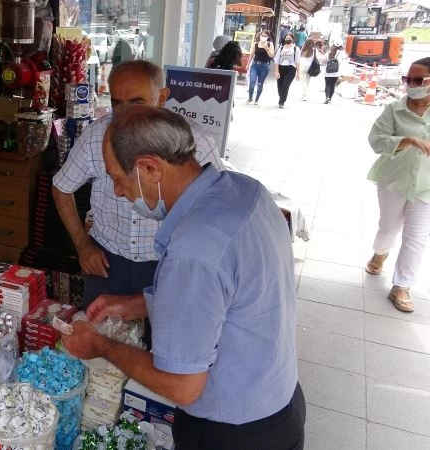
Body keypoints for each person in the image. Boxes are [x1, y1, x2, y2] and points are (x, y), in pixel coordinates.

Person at [62, 105, 305, 450]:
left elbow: (182, 386)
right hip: (280, 400)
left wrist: (100, 345)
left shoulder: (193, 249)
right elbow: (229, 293)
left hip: (233, 432)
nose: (117, 191)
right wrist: (136, 305)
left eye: (117, 178)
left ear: (150, 168)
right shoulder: (246, 189)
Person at [52, 61, 169, 316]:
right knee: (96, 333)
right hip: (107, 262)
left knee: (163, 338)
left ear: (161, 98)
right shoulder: (97, 135)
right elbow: (61, 187)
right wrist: (82, 245)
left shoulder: (191, 140)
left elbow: (211, 206)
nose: (124, 113)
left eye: (136, 103)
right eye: (117, 103)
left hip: (167, 266)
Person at [365, 57, 430, 313]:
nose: (411, 85)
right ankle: (380, 252)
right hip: (394, 180)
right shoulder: (394, 109)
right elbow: (376, 140)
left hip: (426, 186)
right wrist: (408, 141)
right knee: (388, 229)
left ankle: (401, 286)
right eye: (408, 79)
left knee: (416, 237)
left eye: (418, 80)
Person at [246, 30, 274, 105]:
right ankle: (250, 98)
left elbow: (271, 55)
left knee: (260, 83)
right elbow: (251, 54)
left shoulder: (270, 44)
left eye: (265, 36)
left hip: (264, 66)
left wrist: (266, 48)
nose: (263, 37)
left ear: (268, 37)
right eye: (262, 35)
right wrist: (248, 64)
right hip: (255, 65)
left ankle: (256, 100)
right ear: (260, 36)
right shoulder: (255, 44)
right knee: (252, 81)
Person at [273, 33, 300, 108]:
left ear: (293, 39)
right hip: (281, 68)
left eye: (289, 38)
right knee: (279, 86)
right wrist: (276, 71)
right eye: (286, 38)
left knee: (285, 85)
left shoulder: (296, 49)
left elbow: (297, 61)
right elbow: (276, 60)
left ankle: (281, 102)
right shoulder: (281, 48)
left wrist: (298, 73)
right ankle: (282, 97)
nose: (288, 39)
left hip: (291, 69)